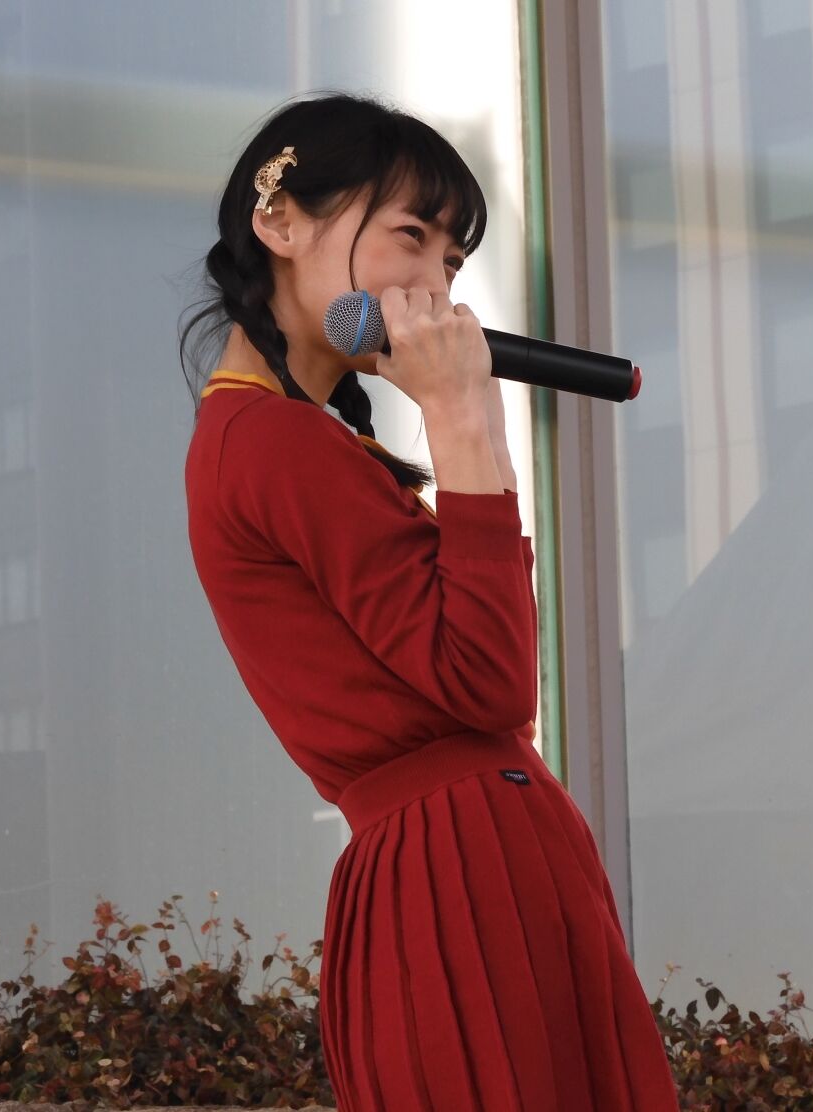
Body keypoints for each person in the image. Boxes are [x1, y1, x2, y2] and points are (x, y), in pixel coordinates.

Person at [181, 91, 678, 1112]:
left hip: (470, 862)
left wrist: (470, 422)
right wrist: (455, 415)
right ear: (279, 221)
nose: (436, 286)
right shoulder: (269, 440)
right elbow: (490, 680)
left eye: (452, 262)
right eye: (410, 235)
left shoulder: (292, 437)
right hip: (458, 877)